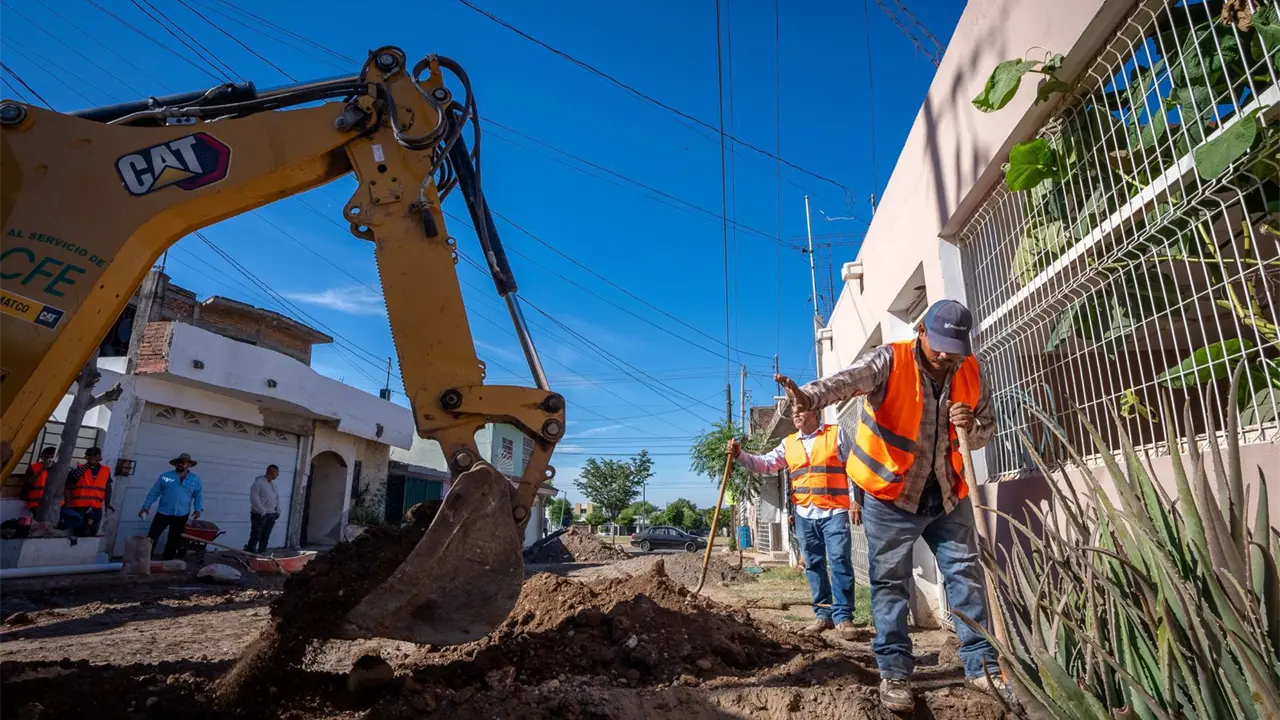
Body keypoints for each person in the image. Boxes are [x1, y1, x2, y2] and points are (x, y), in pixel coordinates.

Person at [774, 299, 1007, 712]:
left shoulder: (970, 370)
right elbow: (846, 380)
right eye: (940, 348)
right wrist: (808, 397)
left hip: (948, 493)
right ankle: (895, 673)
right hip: (891, 495)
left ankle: (982, 668)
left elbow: (986, 429)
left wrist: (971, 425)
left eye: (955, 349)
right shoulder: (890, 360)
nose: (947, 358)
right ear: (921, 331)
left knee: (966, 577)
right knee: (890, 584)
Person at [728, 408, 861, 641]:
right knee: (813, 564)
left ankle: (843, 617)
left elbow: (853, 468)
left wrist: (855, 500)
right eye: (795, 412)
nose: (797, 415)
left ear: (815, 412)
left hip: (835, 510)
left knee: (839, 561)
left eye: (802, 410)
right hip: (804, 512)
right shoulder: (788, 443)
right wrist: (741, 456)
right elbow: (766, 464)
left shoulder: (835, 434)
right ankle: (823, 614)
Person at [138, 453, 203, 561]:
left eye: (183, 463)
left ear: (189, 465)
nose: (180, 465)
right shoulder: (166, 477)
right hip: (163, 512)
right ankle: (145, 561)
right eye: (178, 462)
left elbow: (198, 495)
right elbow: (154, 492)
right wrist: (146, 507)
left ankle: (167, 561)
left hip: (181, 514)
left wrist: (197, 509)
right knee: (152, 537)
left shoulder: (195, 479)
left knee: (174, 539)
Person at [63, 447, 113, 537]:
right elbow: (73, 479)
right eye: (90, 457)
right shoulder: (79, 468)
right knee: (78, 531)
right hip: (79, 506)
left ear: (99, 457)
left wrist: (108, 504)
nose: (93, 459)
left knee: (92, 531)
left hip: (96, 506)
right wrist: (87, 465)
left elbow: (108, 488)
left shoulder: (105, 470)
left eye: (95, 457)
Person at [245, 464, 281, 554]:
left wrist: (277, 511)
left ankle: (262, 553)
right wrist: (262, 512)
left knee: (265, 536)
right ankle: (250, 553)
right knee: (256, 535)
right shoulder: (258, 483)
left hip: (271, 514)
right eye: (277, 473)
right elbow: (254, 498)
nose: (278, 475)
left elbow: (276, 498)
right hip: (259, 515)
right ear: (271, 472)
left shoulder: (273, 485)